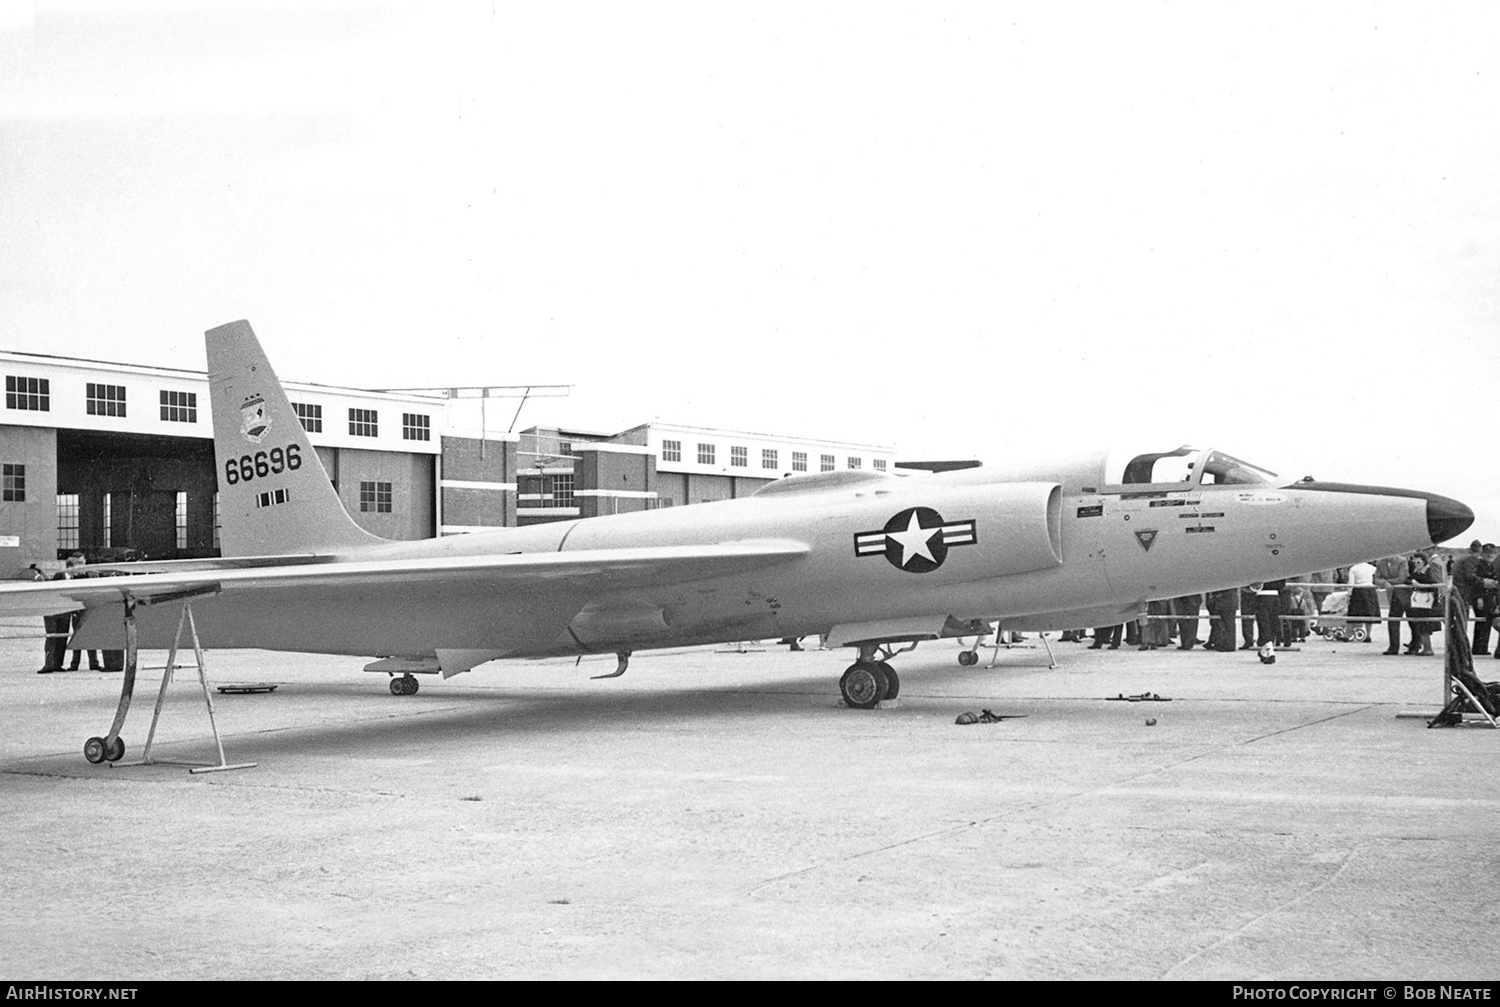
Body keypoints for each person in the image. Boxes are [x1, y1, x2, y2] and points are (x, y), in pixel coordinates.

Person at [61, 553, 102, 672]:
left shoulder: (90, 575)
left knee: (91, 635)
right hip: (76, 609)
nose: (82, 565)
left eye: (83, 562)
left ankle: (94, 662)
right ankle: (75, 663)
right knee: (77, 635)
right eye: (79, 563)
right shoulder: (71, 577)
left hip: (88, 608)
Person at [1451, 540, 1492, 656]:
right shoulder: (1472, 559)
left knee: (1460, 619)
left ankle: (1459, 648)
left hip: (1458, 591)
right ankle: (1461, 649)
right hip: (1464, 592)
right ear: (1479, 550)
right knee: (1462, 619)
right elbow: (1470, 576)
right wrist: (1484, 582)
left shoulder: (1462, 557)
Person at [1374, 554, 1413, 655]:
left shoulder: (1402, 561)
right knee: (1393, 620)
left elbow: (1402, 578)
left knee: (1412, 620)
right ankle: (1393, 647)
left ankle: (1415, 645)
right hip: (1392, 595)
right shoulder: (1380, 562)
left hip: (1405, 594)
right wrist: (1385, 584)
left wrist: (1386, 582)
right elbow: (1376, 579)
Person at [1406, 552, 1442, 656]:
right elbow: (1410, 579)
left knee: (1424, 625)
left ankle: (1428, 648)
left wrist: (1419, 585)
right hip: (1420, 601)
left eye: (1418, 562)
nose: (1416, 563)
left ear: (1424, 561)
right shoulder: (1417, 570)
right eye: (1415, 562)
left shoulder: (1428, 570)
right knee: (1421, 625)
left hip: (1427, 601)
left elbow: (1433, 583)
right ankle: (1426, 647)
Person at [1346, 559, 1379, 643]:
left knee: (1354, 612)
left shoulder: (1353, 569)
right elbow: (1378, 573)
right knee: (1369, 612)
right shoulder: (1370, 567)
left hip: (1359, 589)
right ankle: (1368, 635)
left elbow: (1351, 583)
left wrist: (1349, 594)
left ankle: (1347, 633)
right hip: (1370, 589)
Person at [1205, 588, 1238, 652]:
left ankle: (1229, 645)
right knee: (1224, 624)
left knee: (1228, 625)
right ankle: (1224, 643)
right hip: (1225, 602)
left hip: (1227, 602)